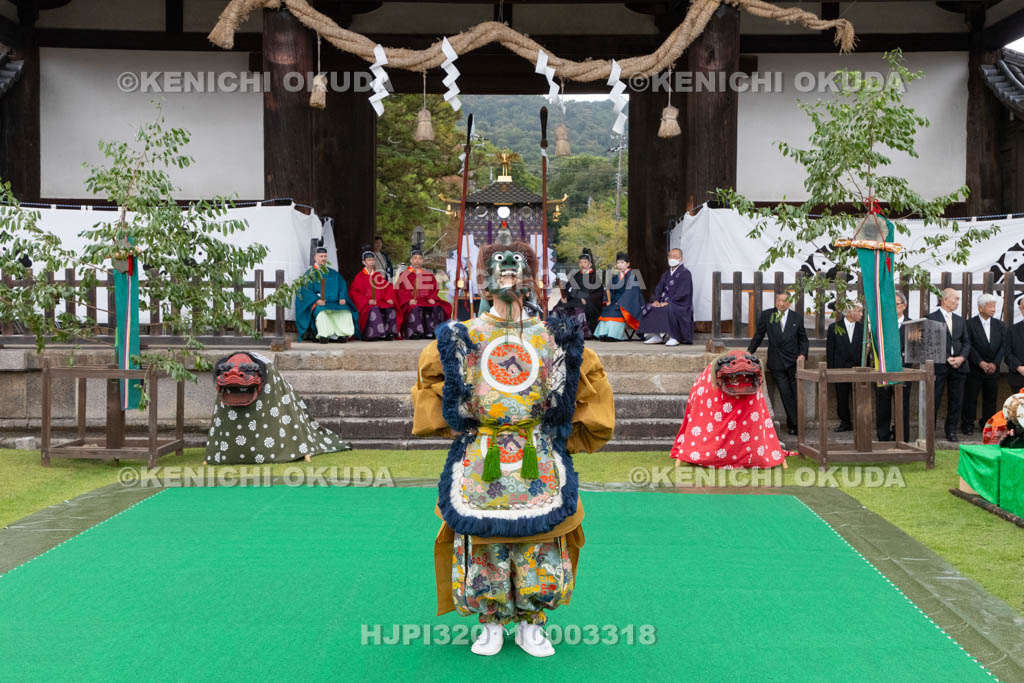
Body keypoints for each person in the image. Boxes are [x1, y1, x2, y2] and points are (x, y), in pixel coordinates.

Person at [411, 231, 614, 658]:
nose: (507, 269)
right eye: (498, 264)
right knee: (484, 538)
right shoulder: (461, 337)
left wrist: (563, 433)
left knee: (539, 538)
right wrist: (455, 421)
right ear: (482, 278)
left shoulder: (552, 337)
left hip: (534, 451)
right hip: (482, 451)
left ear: (532, 278)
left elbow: (583, 389)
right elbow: (432, 386)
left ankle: (531, 621)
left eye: (517, 264)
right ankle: (490, 619)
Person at [748, 291, 809, 436]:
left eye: (784, 301)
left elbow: (803, 339)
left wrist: (802, 354)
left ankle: (796, 423)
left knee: (795, 392)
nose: (781, 303)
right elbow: (758, 335)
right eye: (778, 301)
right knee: (785, 392)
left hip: (793, 361)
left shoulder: (796, 317)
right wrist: (749, 352)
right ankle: (795, 425)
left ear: (790, 302)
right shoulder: (767, 315)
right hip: (776, 361)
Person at [926, 288, 970, 442]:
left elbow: (966, 342)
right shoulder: (931, 318)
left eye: (958, 299)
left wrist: (962, 358)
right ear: (944, 300)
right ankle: (929, 431)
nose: (957, 302)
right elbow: (928, 342)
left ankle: (951, 431)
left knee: (956, 400)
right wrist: (946, 357)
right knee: (934, 399)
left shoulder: (959, 320)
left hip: (959, 366)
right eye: (955, 299)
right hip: (939, 366)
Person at [962, 293, 1006, 436]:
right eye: (990, 306)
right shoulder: (970, 324)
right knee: (971, 397)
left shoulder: (999, 325)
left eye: (994, 306)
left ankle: (987, 424)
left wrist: (995, 363)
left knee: (990, 398)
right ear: (980, 308)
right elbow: (969, 345)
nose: (993, 309)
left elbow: (1003, 346)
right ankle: (967, 424)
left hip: (993, 369)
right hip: (975, 368)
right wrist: (980, 362)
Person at [294, 246, 359, 343]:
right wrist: (316, 300)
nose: (323, 258)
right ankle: (324, 335)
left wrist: (342, 297)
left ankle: (342, 334)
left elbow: (342, 285)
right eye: (321, 256)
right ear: (315, 258)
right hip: (320, 303)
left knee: (346, 311)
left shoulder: (333, 273)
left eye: (325, 256)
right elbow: (304, 290)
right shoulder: (310, 274)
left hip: (335, 302)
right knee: (322, 313)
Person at [638, 248, 694, 346]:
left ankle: (675, 337)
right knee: (650, 307)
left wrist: (669, 302)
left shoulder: (685, 273)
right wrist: (655, 300)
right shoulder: (666, 274)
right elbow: (658, 289)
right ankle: (657, 335)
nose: (672, 258)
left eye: (675, 257)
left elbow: (683, 293)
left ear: (681, 259)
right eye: (670, 256)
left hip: (680, 304)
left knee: (667, 309)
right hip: (665, 301)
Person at [875, 292, 911, 441]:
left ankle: (901, 436)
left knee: (902, 406)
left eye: (895, 304)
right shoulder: (882, 324)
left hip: (904, 370)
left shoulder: (911, 325)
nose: (891, 307)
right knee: (882, 405)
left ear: (904, 306)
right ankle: (883, 435)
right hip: (883, 370)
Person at [395, 248, 452, 339]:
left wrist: (432, 297)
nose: (417, 261)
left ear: (422, 261)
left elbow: (434, 288)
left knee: (438, 307)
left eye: (419, 259)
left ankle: (432, 332)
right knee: (414, 308)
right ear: (411, 260)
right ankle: (415, 332)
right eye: (415, 258)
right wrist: (409, 300)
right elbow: (399, 290)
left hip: (426, 300)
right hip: (411, 300)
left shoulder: (428, 274)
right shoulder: (404, 274)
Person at [825, 301, 864, 432]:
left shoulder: (863, 329)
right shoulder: (834, 328)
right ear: (849, 312)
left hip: (858, 368)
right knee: (841, 396)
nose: (861, 314)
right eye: (859, 311)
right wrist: (830, 370)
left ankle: (861, 422)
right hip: (840, 367)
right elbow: (830, 350)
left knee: (860, 395)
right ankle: (845, 422)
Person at [350, 246, 402, 340]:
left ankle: (389, 333)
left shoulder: (377, 275)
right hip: (367, 304)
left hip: (379, 300)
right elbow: (354, 293)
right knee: (374, 308)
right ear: (364, 262)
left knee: (390, 308)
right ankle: (374, 334)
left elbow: (387, 287)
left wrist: (388, 298)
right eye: (369, 260)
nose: (371, 262)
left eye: (373, 260)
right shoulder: (359, 277)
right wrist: (367, 301)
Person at [593, 252, 644, 341]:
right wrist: (608, 300)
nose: (620, 265)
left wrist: (621, 302)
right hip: (615, 301)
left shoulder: (633, 275)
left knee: (615, 311)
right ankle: (603, 333)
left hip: (628, 303)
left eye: (622, 263)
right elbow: (609, 289)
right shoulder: (615, 277)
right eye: (618, 263)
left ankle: (614, 335)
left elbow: (631, 292)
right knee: (607, 310)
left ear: (628, 264)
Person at [565, 248, 604, 337]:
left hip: (588, 303)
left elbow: (598, 294)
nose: (582, 264)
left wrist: (585, 299)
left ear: (590, 264)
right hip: (574, 300)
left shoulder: (594, 277)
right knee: (559, 308)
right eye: (580, 262)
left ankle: (582, 333)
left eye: (585, 262)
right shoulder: (576, 275)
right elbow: (569, 288)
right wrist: (565, 297)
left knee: (579, 309)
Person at [1004, 298, 1024, 394]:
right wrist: (1019, 367)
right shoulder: (1012, 330)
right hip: (1018, 379)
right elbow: (1007, 354)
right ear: (1020, 309)